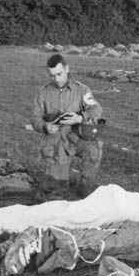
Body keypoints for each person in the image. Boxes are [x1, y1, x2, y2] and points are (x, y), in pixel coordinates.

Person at [30, 54, 104, 198]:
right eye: (52, 76)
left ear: (67, 69)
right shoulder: (43, 93)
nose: (56, 79)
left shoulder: (81, 90)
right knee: (56, 191)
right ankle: (60, 183)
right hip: (55, 140)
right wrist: (45, 126)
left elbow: (97, 110)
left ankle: (83, 184)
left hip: (76, 136)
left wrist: (80, 117)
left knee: (94, 152)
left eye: (59, 74)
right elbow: (34, 118)